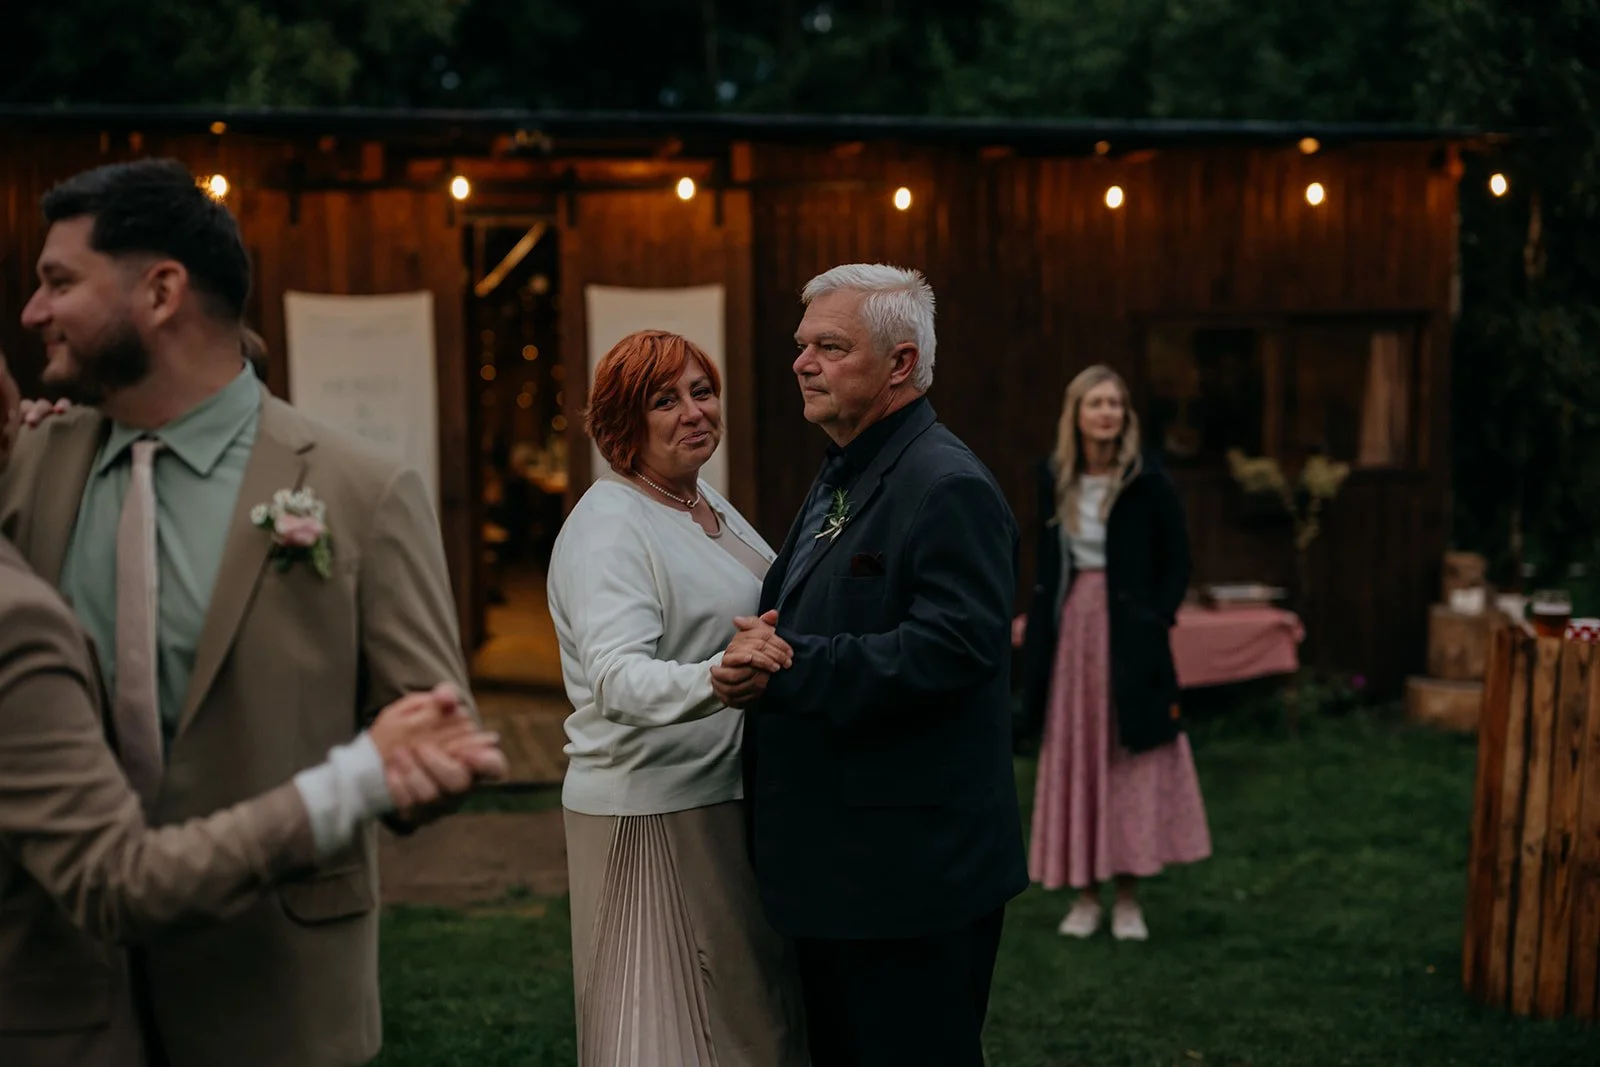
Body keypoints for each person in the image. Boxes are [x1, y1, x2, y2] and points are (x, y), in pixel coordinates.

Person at [0, 158, 475, 1067]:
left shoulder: (362, 488)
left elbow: (432, 727)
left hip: (277, 990)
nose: (32, 311)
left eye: (58, 282)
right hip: (62, 991)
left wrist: (418, 768)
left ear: (161, 291)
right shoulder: (28, 464)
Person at [712, 264, 1027, 1066]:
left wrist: (789, 665)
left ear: (900, 363)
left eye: (830, 346)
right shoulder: (848, 466)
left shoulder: (946, 484)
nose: (802, 363)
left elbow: (953, 648)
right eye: (801, 345)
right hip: (841, 869)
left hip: (908, 877)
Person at [546, 330, 808, 1066]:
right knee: (667, 1035)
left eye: (702, 391)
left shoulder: (697, 498)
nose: (694, 411)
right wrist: (713, 678)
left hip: (722, 796)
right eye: (665, 400)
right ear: (622, 420)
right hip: (652, 810)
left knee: (748, 1022)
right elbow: (615, 676)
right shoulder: (610, 524)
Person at [1014, 364, 1212, 941]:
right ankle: (1085, 895)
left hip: (1131, 635)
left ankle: (1128, 897)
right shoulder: (1056, 478)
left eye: (1116, 404)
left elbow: (1178, 558)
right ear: (1076, 414)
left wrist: (1156, 617)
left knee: (1128, 755)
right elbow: (1049, 562)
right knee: (1081, 753)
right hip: (1074, 628)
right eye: (1096, 403)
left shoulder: (1147, 480)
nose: (1108, 413)